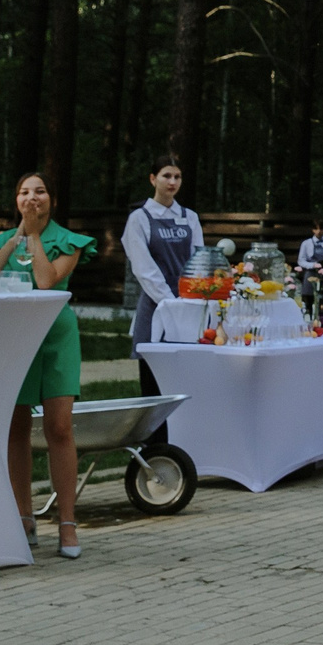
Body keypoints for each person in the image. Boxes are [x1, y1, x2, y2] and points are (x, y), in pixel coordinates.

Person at [0, 173, 94, 558]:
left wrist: (34, 237)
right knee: (16, 427)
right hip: (13, 337)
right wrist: (16, 237)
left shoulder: (70, 241)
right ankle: (23, 518)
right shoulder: (0, 241)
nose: (32, 197)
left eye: (40, 191)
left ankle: (66, 522)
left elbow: (46, 282)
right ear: (16, 200)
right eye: (25, 192)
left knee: (59, 427)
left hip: (56, 336)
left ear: (52, 200)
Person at [123, 155, 202, 443]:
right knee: (153, 386)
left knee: (185, 381)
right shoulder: (139, 219)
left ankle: (186, 443)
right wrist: (170, 302)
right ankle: (155, 449)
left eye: (177, 177)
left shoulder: (189, 217)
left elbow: (199, 260)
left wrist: (190, 298)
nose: (172, 182)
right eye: (167, 176)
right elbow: (143, 268)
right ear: (152, 179)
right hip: (156, 311)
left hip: (188, 308)